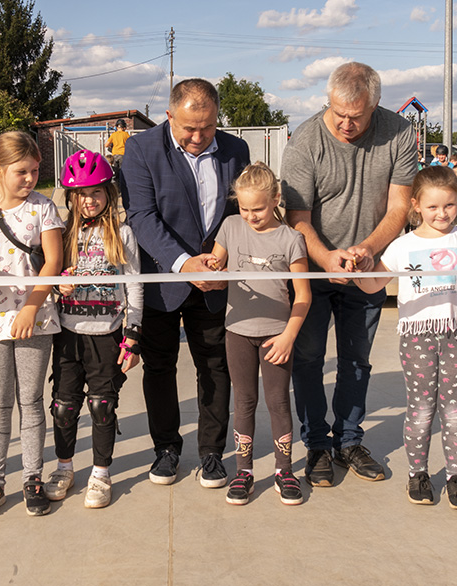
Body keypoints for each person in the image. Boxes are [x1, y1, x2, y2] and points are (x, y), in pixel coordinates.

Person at [280, 62, 418, 488]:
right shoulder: (305, 140)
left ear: (376, 105)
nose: (345, 123)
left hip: (367, 269)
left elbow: (400, 206)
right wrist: (326, 259)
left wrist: (368, 250)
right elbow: (297, 218)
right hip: (314, 269)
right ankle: (316, 444)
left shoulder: (400, 133)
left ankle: (349, 440)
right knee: (308, 358)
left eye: (356, 116)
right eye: (337, 112)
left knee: (357, 360)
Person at [121, 78, 250, 487]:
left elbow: (237, 215)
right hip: (163, 281)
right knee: (160, 367)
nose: (198, 137)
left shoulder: (236, 150)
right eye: (189, 128)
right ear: (169, 115)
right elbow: (141, 216)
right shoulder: (140, 150)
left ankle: (212, 453)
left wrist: (221, 261)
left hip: (215, 279)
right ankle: (166, 449)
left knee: (215, 366)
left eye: (208, 127)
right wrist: (183, 264)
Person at [354, 165, 457, 510]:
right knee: (420, 408)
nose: (441, 213)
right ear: (416, 205)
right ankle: (417, 474)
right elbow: (374, 284)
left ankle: (456, 476)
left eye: (449, 205)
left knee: (455, 410)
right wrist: (356, 270)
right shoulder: (401, 247)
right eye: (432, 207)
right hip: (417, 338)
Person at [0, 131, 64, 520]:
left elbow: (53, 262)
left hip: (34, 318)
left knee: (31, 401)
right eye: (22, 171)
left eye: (35, 171)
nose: (31, 179)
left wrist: (31, 309)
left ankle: (32, 477)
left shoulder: (43, 208)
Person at [203, 162, 311, 506]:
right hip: (238, 331)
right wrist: (209, 271)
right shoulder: (231, 226)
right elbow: (215, 267)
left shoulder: (291, 239)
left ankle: (284, 471)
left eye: (258, 209)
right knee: (244, 401)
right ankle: (244, 471)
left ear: (276, 199)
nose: (250, 216)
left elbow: (303, 295)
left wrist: (289, 336)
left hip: (276, 335)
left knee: (278, 401)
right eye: (244, 208)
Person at [43, 150, 143, 509]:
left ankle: (101, 474)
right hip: (68, 334)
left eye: (96, 192)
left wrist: (133, 335)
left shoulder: (122, 233)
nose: (89, 200)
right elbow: (48, 277)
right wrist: (58, 286)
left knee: (102, 406)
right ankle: (64, 467)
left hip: (107, 334)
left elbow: (135, 284)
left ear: (109, 193)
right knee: (63, 407)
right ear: (71, 197)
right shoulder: (62, 233)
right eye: (82, 194)